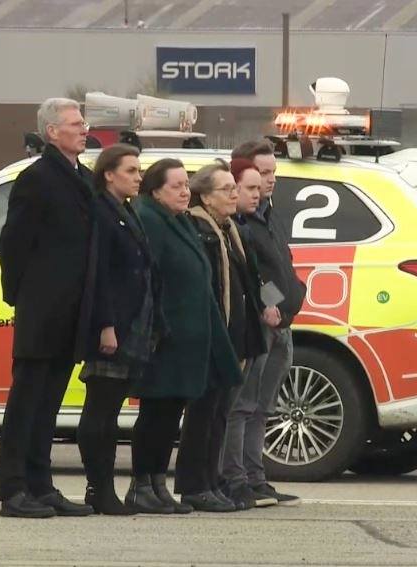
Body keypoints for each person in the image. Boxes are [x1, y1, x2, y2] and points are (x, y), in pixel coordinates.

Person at [0, 98, 95, 518]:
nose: (83, 128)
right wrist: (23, 298)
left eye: (82, 121)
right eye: (74, 123)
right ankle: (14, 490)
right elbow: (13, 245)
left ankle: (41, 485)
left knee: (49, 405)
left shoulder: (83, 178)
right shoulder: (36, 179)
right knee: (26, 404)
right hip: (42, 309)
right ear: (52, 132)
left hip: (71, 311)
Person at [128, 158, 243, 514]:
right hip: (165, 335)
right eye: (175, 185)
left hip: (190, 335)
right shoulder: (148, 219)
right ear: (155, 190)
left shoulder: (177, 220)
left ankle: (158, 484)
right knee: (156, 412)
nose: (184, 191)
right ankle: (141, 485)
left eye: (185, 184)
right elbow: (150, 278)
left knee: (169, 413)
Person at [170, 160, 260, 512]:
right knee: (203, 413)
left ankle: (212, 479)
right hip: (211, 337)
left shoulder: (230, 230)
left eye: (234, 188)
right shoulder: (199, 230)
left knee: (220, 411)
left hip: (234, 338)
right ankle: (195, 484)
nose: (234, 193)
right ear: (205, 198)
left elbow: (250, 281)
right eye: (227, 189)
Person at [220, 141, 305, 507]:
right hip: (260, 324)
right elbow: (251, 274)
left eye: (272, 174)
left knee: (263, 407)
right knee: (243, 404)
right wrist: (272, 304)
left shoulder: (268, 215)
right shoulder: (241, 224)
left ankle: (256, 477)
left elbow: (282, 264)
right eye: (261, 176)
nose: (269, 182)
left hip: (281, 324)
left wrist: (296, 293)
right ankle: (236, 477)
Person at [76, 144, 155, 516]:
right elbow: (101, 274)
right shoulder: (101, 212)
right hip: (111, 325)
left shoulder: (125, 211)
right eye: (131, 170)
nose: (139, 177)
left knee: (111, 412)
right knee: (100, 412)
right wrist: (106, 325)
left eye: (139, 170)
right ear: (109, 174)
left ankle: (105, 488)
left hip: (131, 322)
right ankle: (99, 488)